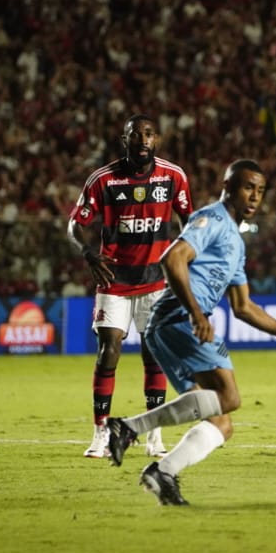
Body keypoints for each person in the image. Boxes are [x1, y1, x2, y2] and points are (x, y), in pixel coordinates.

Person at [105, 160, 276, 505]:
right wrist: (196, 312)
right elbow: (173, 259)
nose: (255, 197)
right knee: (229, 396)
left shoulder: (237, 243)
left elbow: (244, 307)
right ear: (228, 186)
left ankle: (162, 472)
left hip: (175, 324)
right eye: (248, 187)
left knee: (222, 423)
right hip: (179, 319)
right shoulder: (213, 218)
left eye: (260, 191)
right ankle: (129, 428)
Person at [68, 114, 193, 460]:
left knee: (154, 357)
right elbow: (73, 226)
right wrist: (89, 253)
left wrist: (182, 263)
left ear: (158, 140)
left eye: (148, 134)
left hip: (155, 282)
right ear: (124, 141)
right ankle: (100, 433)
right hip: (115, 281)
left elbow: (189, 224)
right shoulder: (104, 180)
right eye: (135, 134)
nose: (142, 140)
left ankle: (154, 435)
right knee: (109, 351)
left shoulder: (174, 176)